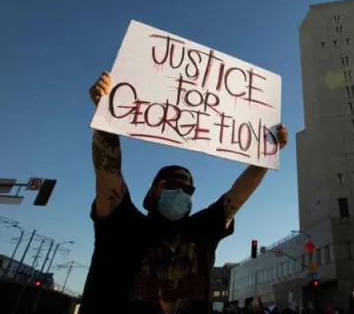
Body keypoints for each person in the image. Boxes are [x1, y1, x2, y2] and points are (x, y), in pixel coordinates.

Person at [79, 72, 289, 314]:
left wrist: (266, 154)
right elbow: (108, 171)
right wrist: (105, 115)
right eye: (172, 186)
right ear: (154, 190)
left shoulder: (202, 232)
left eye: (187, 189)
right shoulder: (123, 225)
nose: (181, 193)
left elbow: (239, 193)